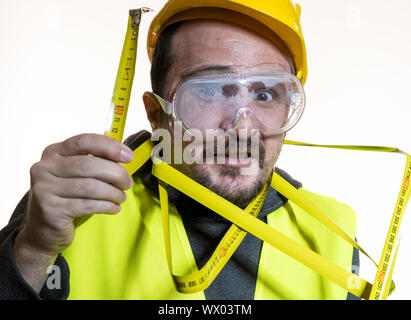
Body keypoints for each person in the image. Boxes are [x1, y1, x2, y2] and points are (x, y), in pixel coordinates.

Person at [0, 0, 359, 300]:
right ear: (157, 113)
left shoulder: (333, 236)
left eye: (265, 94)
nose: (244, 128)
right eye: (210, 90)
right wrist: (32, 251)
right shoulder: (67, 209)